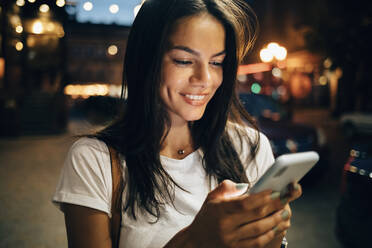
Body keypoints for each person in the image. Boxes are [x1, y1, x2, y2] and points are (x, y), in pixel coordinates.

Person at [53, 0, 302, 247]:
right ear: (146, 60)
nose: (204, 79)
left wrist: (272, 234)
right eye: (184, 60)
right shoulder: (95, 160)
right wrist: (196, 239)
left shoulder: (250, 146)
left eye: (216, 63)